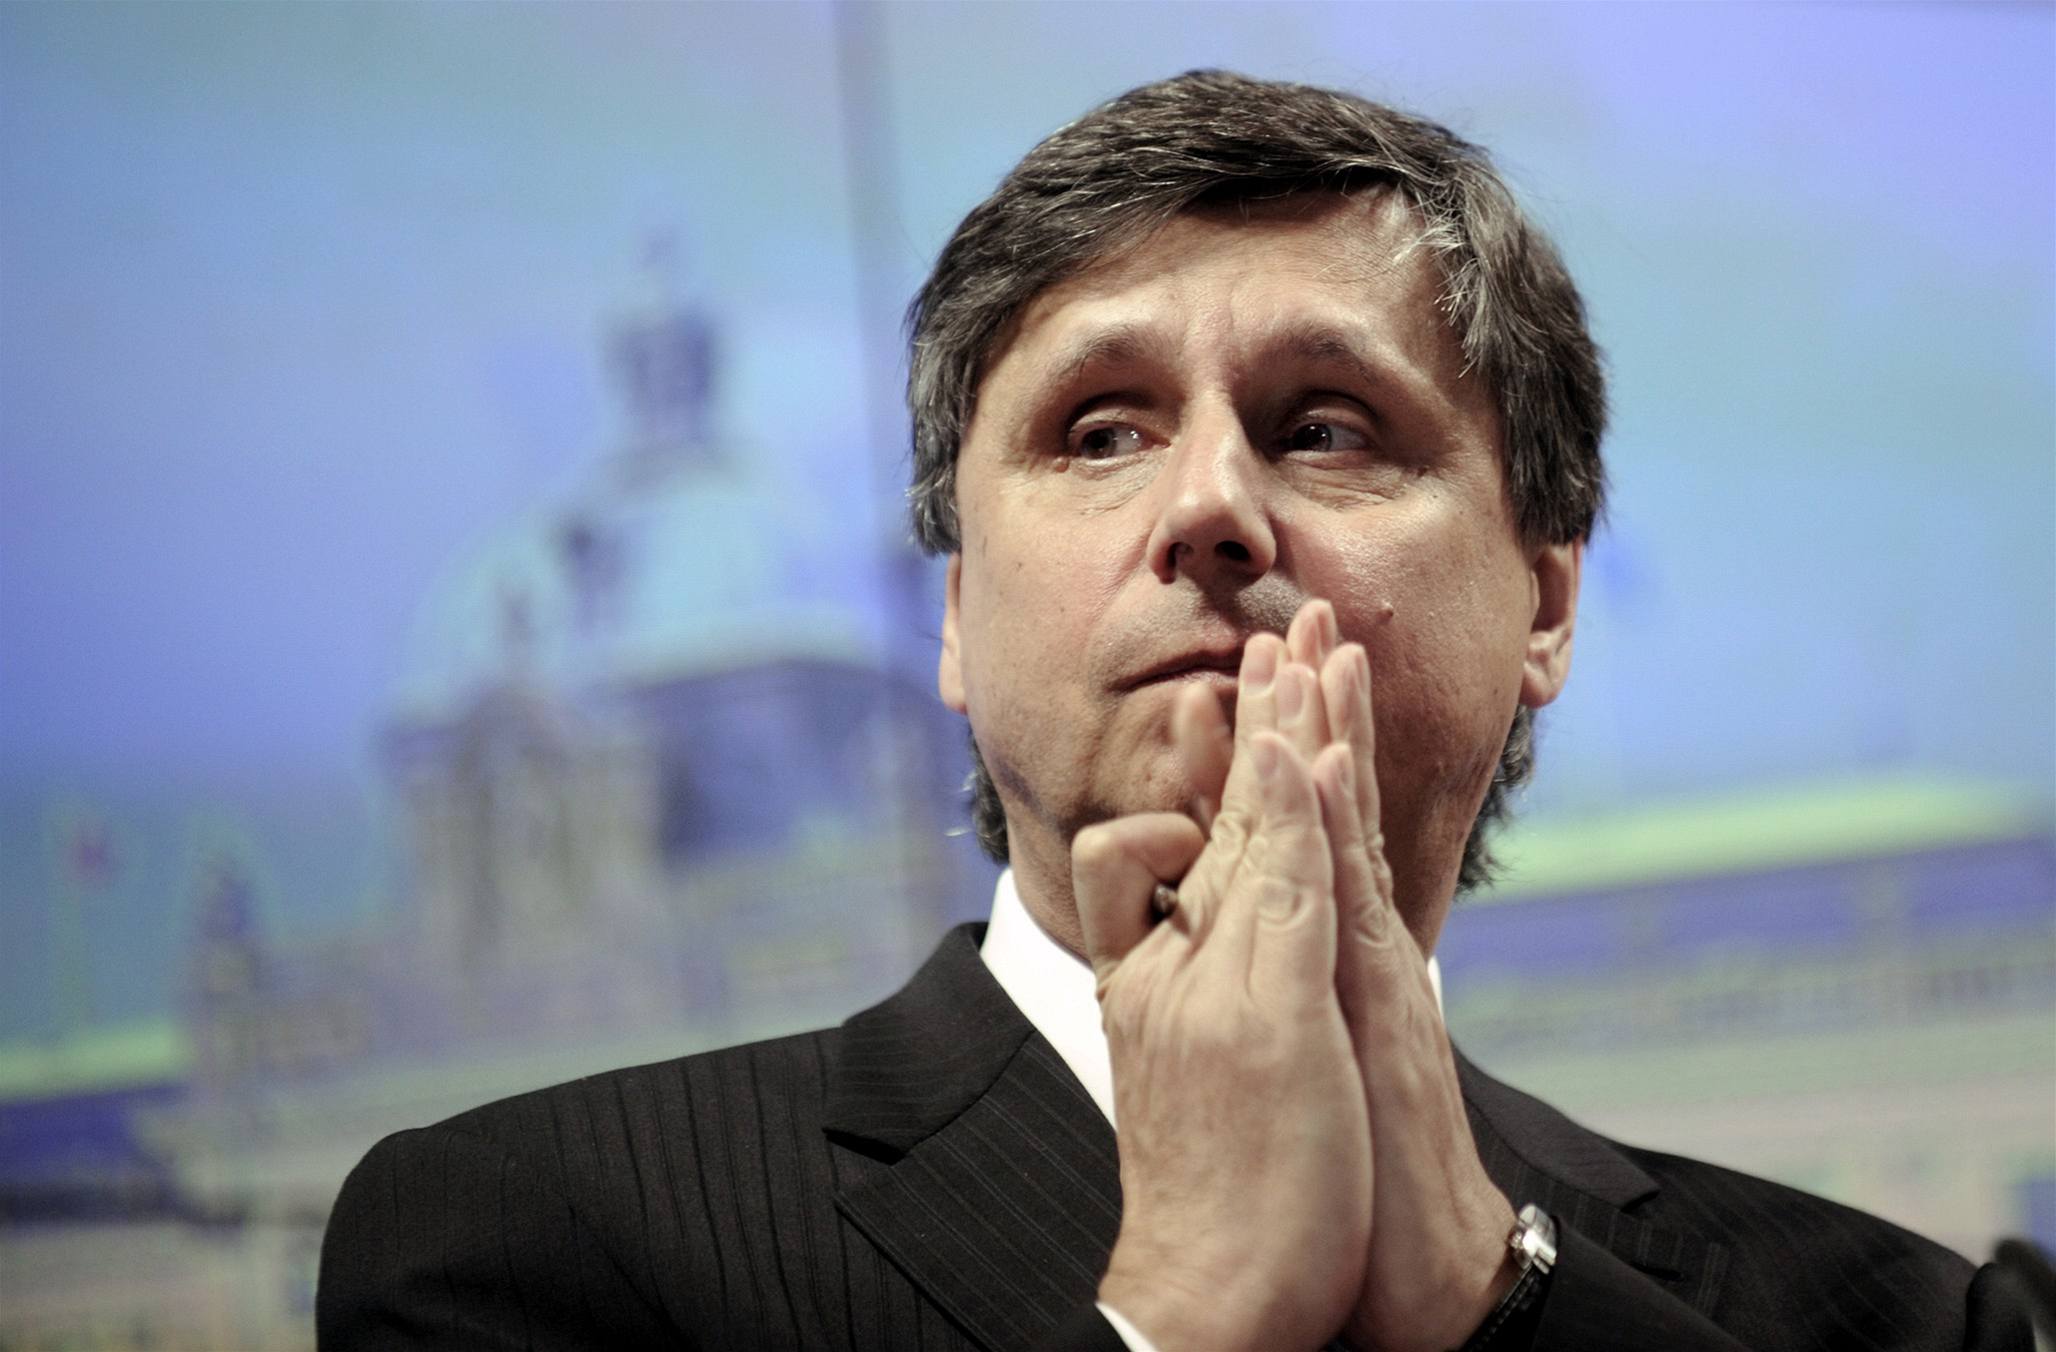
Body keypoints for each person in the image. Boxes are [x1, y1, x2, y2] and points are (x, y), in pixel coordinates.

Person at [317, 70, 2033, 1352]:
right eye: (1102, 432)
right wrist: (1181, 1311)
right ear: (958, 618)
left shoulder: (1888, 1321)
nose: (1208, 503)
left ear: (1548, 604)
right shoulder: (525, 1245)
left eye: (1328, 425)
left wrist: (1493, 1300)